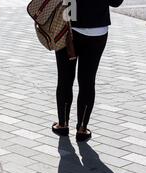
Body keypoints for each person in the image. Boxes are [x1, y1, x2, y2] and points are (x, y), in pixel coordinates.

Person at [52, 0, 124, 142]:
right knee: (88, 80)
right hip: (98, 29)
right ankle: (82, 129)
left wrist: (68, 19)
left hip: (70, 25)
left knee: (65, 78)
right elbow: (116, 2)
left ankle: (63, 124)